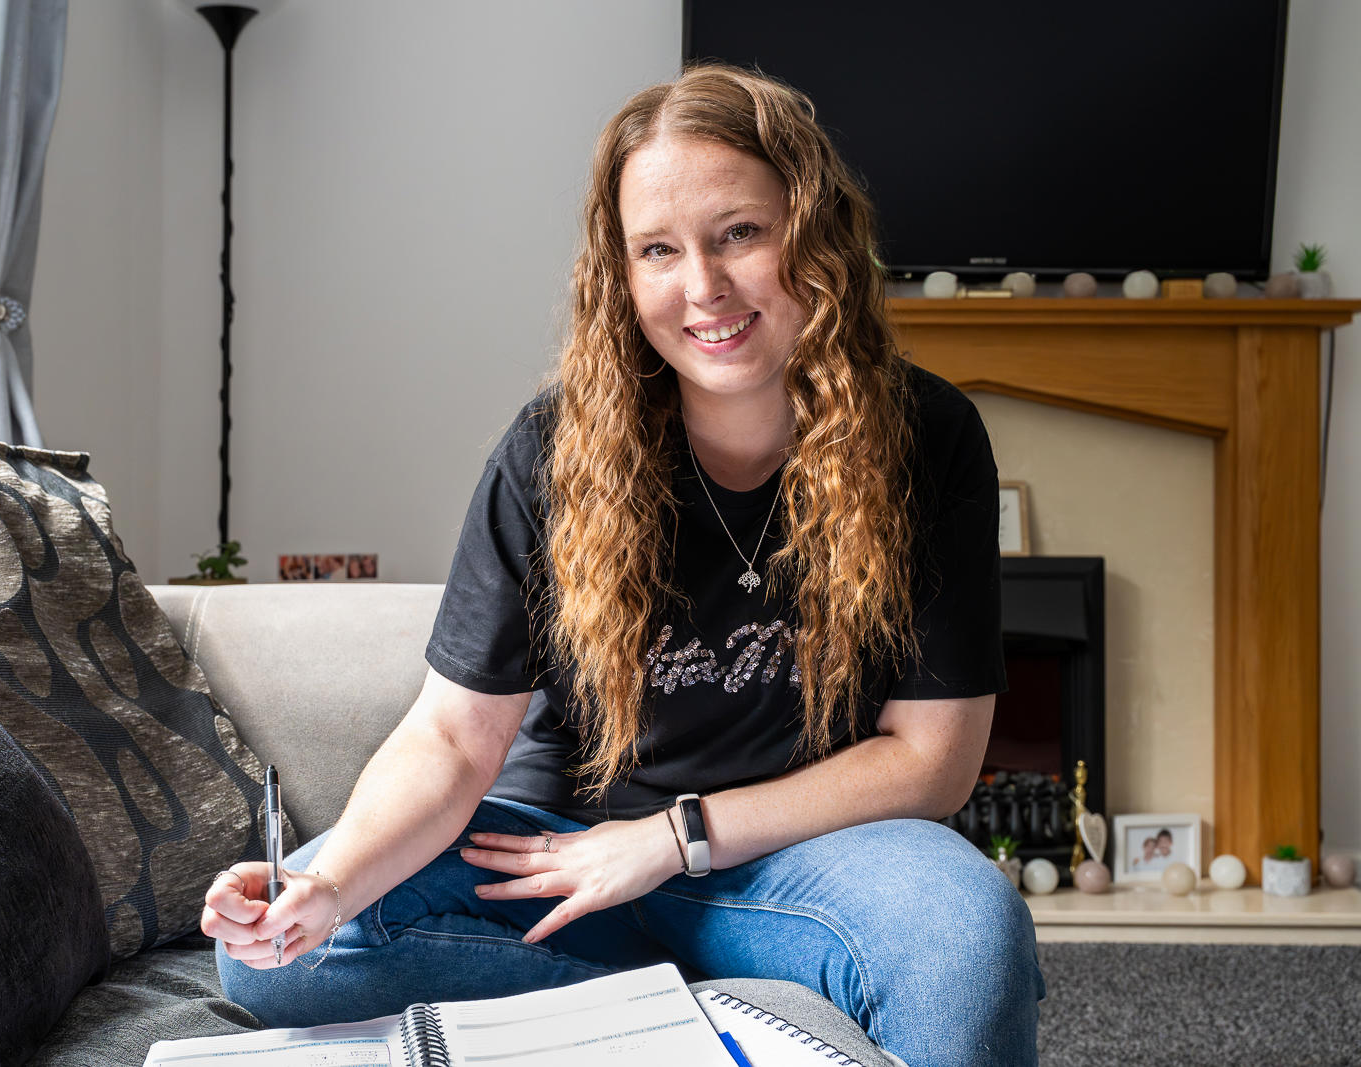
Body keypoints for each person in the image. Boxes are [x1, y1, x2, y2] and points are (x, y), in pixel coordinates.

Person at [201, 63, 1045, 1066]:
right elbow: (451, 738)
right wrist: (328, 882)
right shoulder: (549, 450)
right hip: (556, 857)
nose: (704, 287)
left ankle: (666, 1005)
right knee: (269, 959)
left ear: (812, 233)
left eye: (740, 232)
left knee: (969, 937)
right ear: (621, 272)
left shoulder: (927, 435)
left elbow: (932, 758)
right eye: (659, 249)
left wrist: (674, 838)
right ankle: (691, 1014)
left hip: (798, 863)